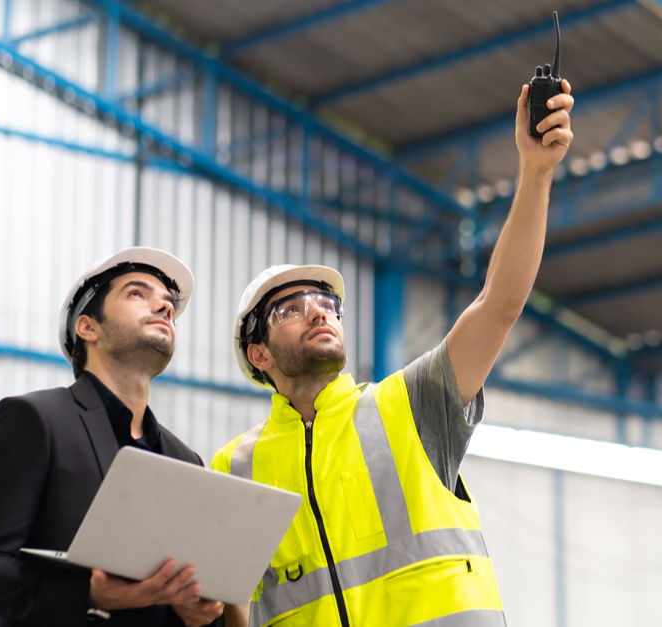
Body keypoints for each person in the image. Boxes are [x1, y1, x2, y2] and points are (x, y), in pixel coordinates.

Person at [212, 81, 575, 627]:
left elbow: (498, 304)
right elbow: (232, 603)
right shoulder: (234, 468)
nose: (318, 313)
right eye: (290, 309)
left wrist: (536, 171)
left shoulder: (410, 404)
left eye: (327, 304)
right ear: (258, 354)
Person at [0, 247, 226, 627]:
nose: (165, 308)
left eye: (169, 304)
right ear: (88, 327)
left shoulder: (186, 461)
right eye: (137, 293)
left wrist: (199, 616)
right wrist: (89, 595)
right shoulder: (31, 421)